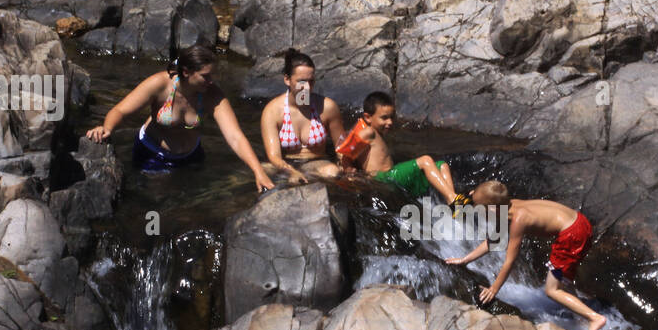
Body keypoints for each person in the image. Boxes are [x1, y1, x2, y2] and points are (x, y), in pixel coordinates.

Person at [84, 44, 275, 191]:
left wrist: (258, 171)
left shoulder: (212, 94)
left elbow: (235, 136)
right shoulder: (160, 85)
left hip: (192, 155)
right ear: (186, 72)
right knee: (158, 205)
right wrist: (107, 128)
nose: (211, 81)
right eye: (205, 76)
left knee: (192, 205)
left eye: (213, 76)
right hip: (153, 156)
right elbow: (121, 111)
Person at [446, 180, 607, 330]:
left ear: (492, 209)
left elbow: (510, 261)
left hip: (571, 236)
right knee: (562, 278)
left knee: (552, 290)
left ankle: (594, 318)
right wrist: (465, 260)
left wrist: (494, 289)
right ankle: (580, 316)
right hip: (580, 222)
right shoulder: (509, 206)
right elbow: (494, 240)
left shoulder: (518, 219)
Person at [337, 91, 467, 206]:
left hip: (391, 176)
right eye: (384, 118)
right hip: (383, 178)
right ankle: (452, 199)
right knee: (425, 160)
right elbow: (344, 152)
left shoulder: (376, 132)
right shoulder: (368, 132)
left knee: (441, 165)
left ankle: (451, 202)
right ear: (367, 117)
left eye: (392, 117)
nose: (390, 122)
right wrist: (349, 170)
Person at [259, 49, 346, 184]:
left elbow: (342, 148)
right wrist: (292, 172)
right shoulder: (273, 111)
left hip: (317, 162)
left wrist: (345, 167)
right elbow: (274, 156)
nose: (306, 87)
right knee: (259, 169)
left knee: (332, 171)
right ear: (287, 80)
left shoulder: (327, 107)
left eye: (311, 82)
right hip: (286, 164)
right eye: (301, 81)